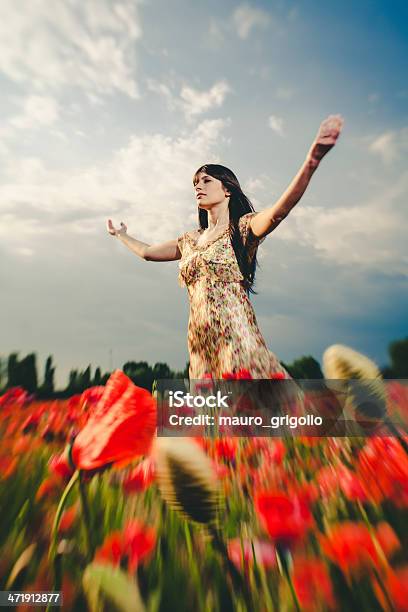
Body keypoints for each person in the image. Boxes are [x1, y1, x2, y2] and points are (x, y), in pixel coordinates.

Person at [108, 115, 344, 381]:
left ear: (227, 189)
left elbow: (279, 212)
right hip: (200, 348)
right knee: (213, 418)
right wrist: (121, 235)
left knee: (253, 414)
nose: (198, 186)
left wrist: (311, 162)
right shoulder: (188, 241)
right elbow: (148, 252)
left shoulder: (243, 229)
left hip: (238, 342)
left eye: (206, 180)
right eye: (196, 182)